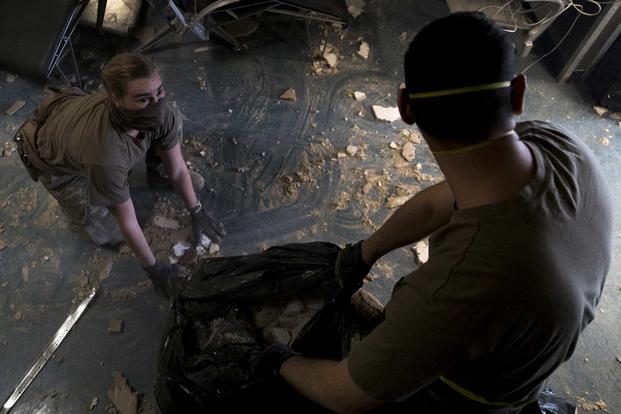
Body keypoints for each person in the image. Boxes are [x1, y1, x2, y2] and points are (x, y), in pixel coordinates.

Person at [249, 12, 612, 414]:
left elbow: (344, 394)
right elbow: (440, 203)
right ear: (520, 93)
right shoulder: (559, 145)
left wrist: (282, 362)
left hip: (467, 397)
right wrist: (365, 252)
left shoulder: (463, 284)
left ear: (405, 107)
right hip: (521, 349)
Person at [14, 53, 225, 296]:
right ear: (115, 100)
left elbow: (177, 169)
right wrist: (154, 268)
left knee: (171, 120)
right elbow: (127, 221)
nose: (156, 103)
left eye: (159, 91)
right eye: (143, 99)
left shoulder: (160, 112)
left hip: (71, 117)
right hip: (50, 155)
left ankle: (156, 171)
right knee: (107, 232)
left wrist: (197, 211)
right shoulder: (105, 156)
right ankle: (82, 215)